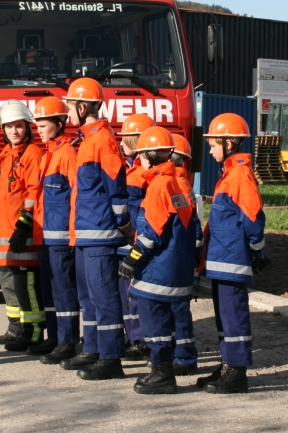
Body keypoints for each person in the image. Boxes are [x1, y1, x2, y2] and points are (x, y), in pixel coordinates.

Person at [117, 127, 196, 394]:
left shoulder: (159, 185)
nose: (138, 159)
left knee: (154, 321)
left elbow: (151, 232)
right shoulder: (175, 182)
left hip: (157, 270)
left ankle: (162, 374)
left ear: (149, 156)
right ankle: (164, 370)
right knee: (166, 321)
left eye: (140, 155)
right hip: (172, 266)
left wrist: (131, 260)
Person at [62, 78, 131, 380]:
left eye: (69, 107)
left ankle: (111, 358)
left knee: (104, 297)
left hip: (100, 234)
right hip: (85, 233)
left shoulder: (102, 140)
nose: (67, 113)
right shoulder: (87, 140)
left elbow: (116, 189)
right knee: (88, 297)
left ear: (82, 107)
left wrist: (124, 225)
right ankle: (92, 348)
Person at [197, 113, 266, 394]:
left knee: (234, 316)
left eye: (213, 145)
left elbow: (253, 219)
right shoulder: (230, 173)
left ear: (229, 143)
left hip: (232, 261)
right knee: (224, 317)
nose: (210, 151)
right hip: (222, 260)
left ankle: (237, 372)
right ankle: (228, 364)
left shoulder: (239, 175)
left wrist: (257, 251)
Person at [31, 97, 81, 364]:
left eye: (43, 124)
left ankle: (68, 341)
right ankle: (54, 336)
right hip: (48, 236)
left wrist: (73, 236)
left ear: (60, 124)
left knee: (63, 290)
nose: (38, 129)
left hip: (61, 238)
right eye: (37, 124)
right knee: (49, 289)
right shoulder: (49, 154)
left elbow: (76, 198)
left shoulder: (67, 155)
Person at [0, 100, 46, 352]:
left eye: (19, 126)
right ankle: (16, 327)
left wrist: (24, 225)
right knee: (10, 281)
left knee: (26, 283)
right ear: (3, 129)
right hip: (6, 231)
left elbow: (34, 193)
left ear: (27, 128)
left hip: (22, 231)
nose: (14, 131)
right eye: (9, 126)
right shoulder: (8, 155)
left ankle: (33, 331)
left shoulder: (32, 154)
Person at [115, 114, 156, 361]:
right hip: (125, 244)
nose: (121, 143)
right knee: (124, 295)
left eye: (125, 138)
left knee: (134, 296)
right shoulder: (130, 169)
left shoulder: (144, 174)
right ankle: (132, 337)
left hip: (136, 245)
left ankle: (140, 340)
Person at [169, 134, 202, 376]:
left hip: (178, 258)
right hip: (182, 256)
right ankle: (180, 355)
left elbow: (187, 226)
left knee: (177, 310)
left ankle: (184, 358)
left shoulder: (177, 186)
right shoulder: (182, 183)